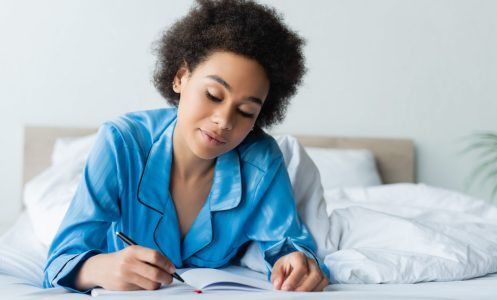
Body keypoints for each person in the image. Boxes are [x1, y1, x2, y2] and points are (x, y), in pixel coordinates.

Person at [43, 0, 330, 293]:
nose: (224, 121)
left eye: (245, 112)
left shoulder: (261, 159)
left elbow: (287, 243)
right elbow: (59, 261)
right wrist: (99, 268)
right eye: (213, 95)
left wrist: (297, 263)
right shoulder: (121, 143)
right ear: (181, 78)